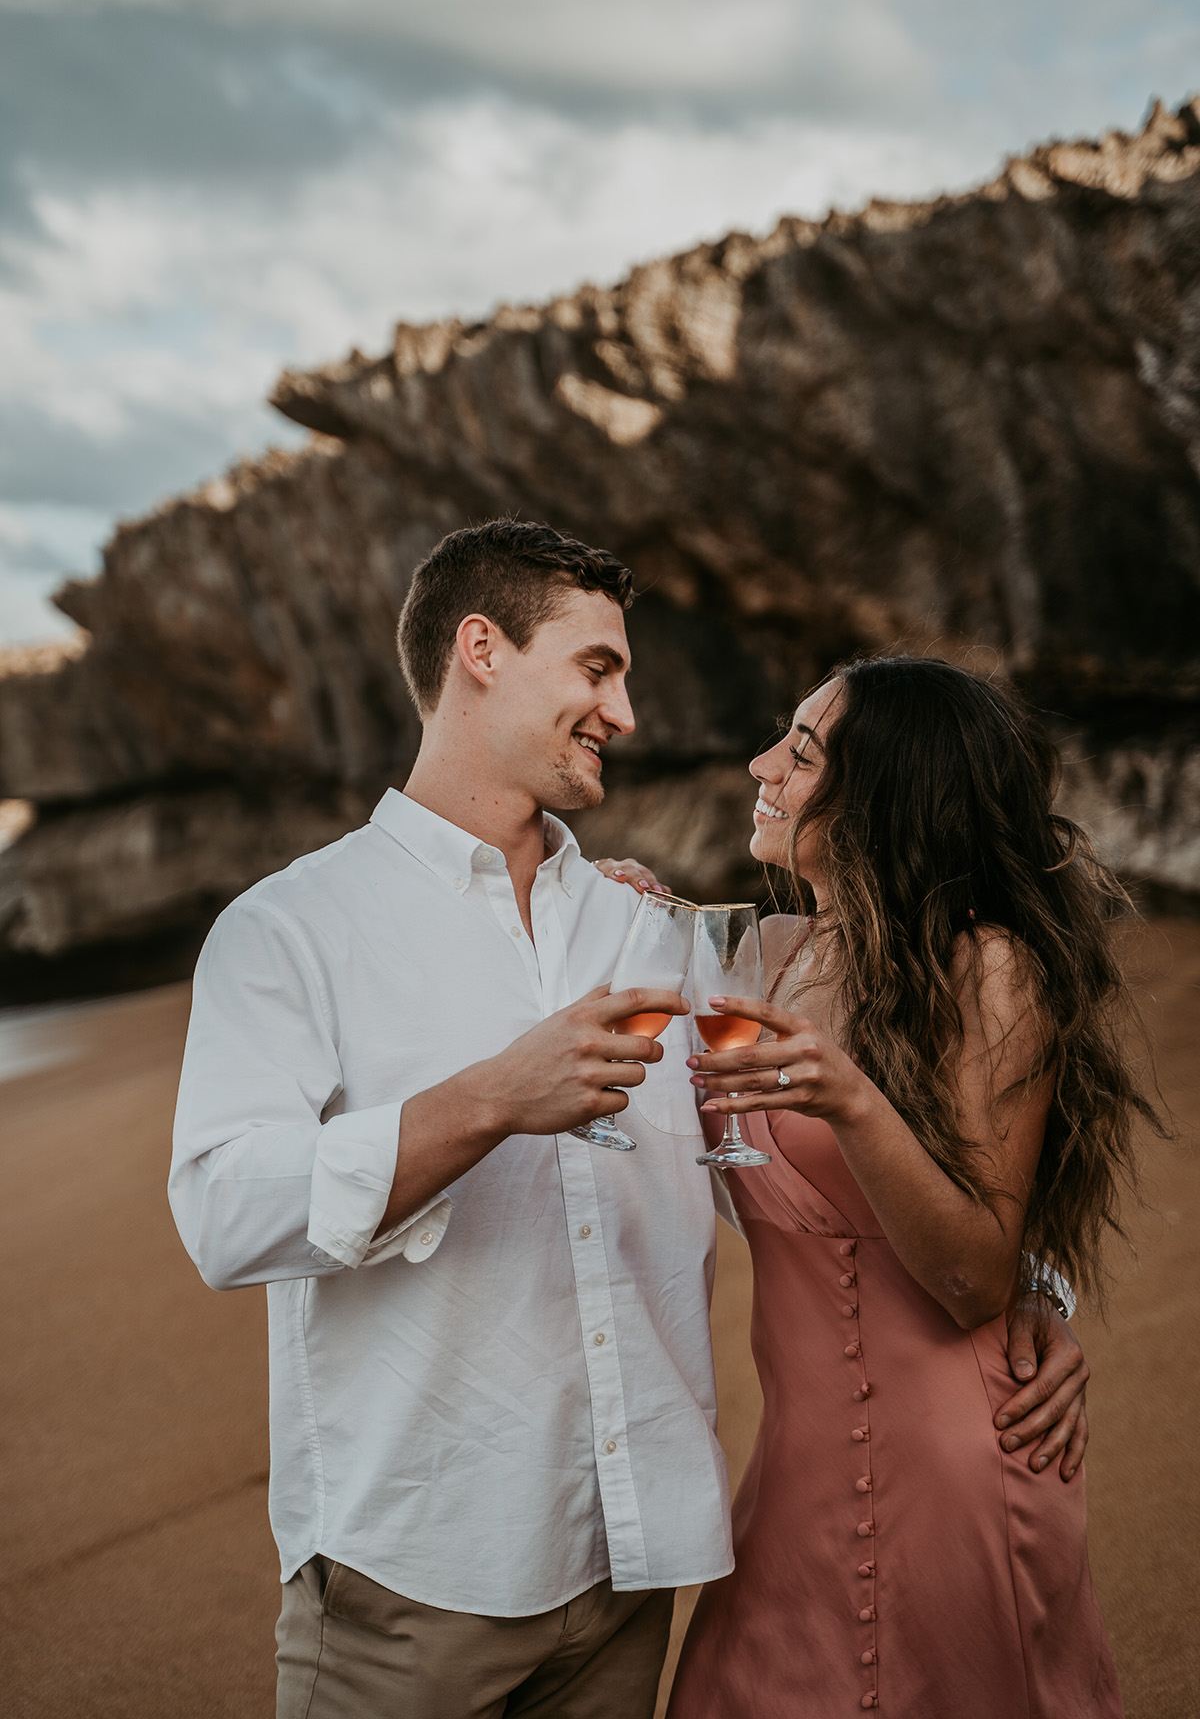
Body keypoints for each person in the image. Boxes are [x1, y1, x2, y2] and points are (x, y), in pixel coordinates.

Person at [169, 523, 1092, 1719]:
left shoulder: (656, 938)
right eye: (599, 669)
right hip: (417, 1580)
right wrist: (496, 1097)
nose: (629, 711)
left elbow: (842, 1141)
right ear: (482, 650)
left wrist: (1033, 1294)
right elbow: (225, 1216)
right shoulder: (289, 929)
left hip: (631, 1573)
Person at [647, 658, 1159, 1718]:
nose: (759, 767)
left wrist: (850, 1100)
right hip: (795, 1477)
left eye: (799, 751)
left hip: (965, 1467)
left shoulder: (992, 969)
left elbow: (975, 1275)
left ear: (886, 790)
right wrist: (609, 893)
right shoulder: (760, 954)